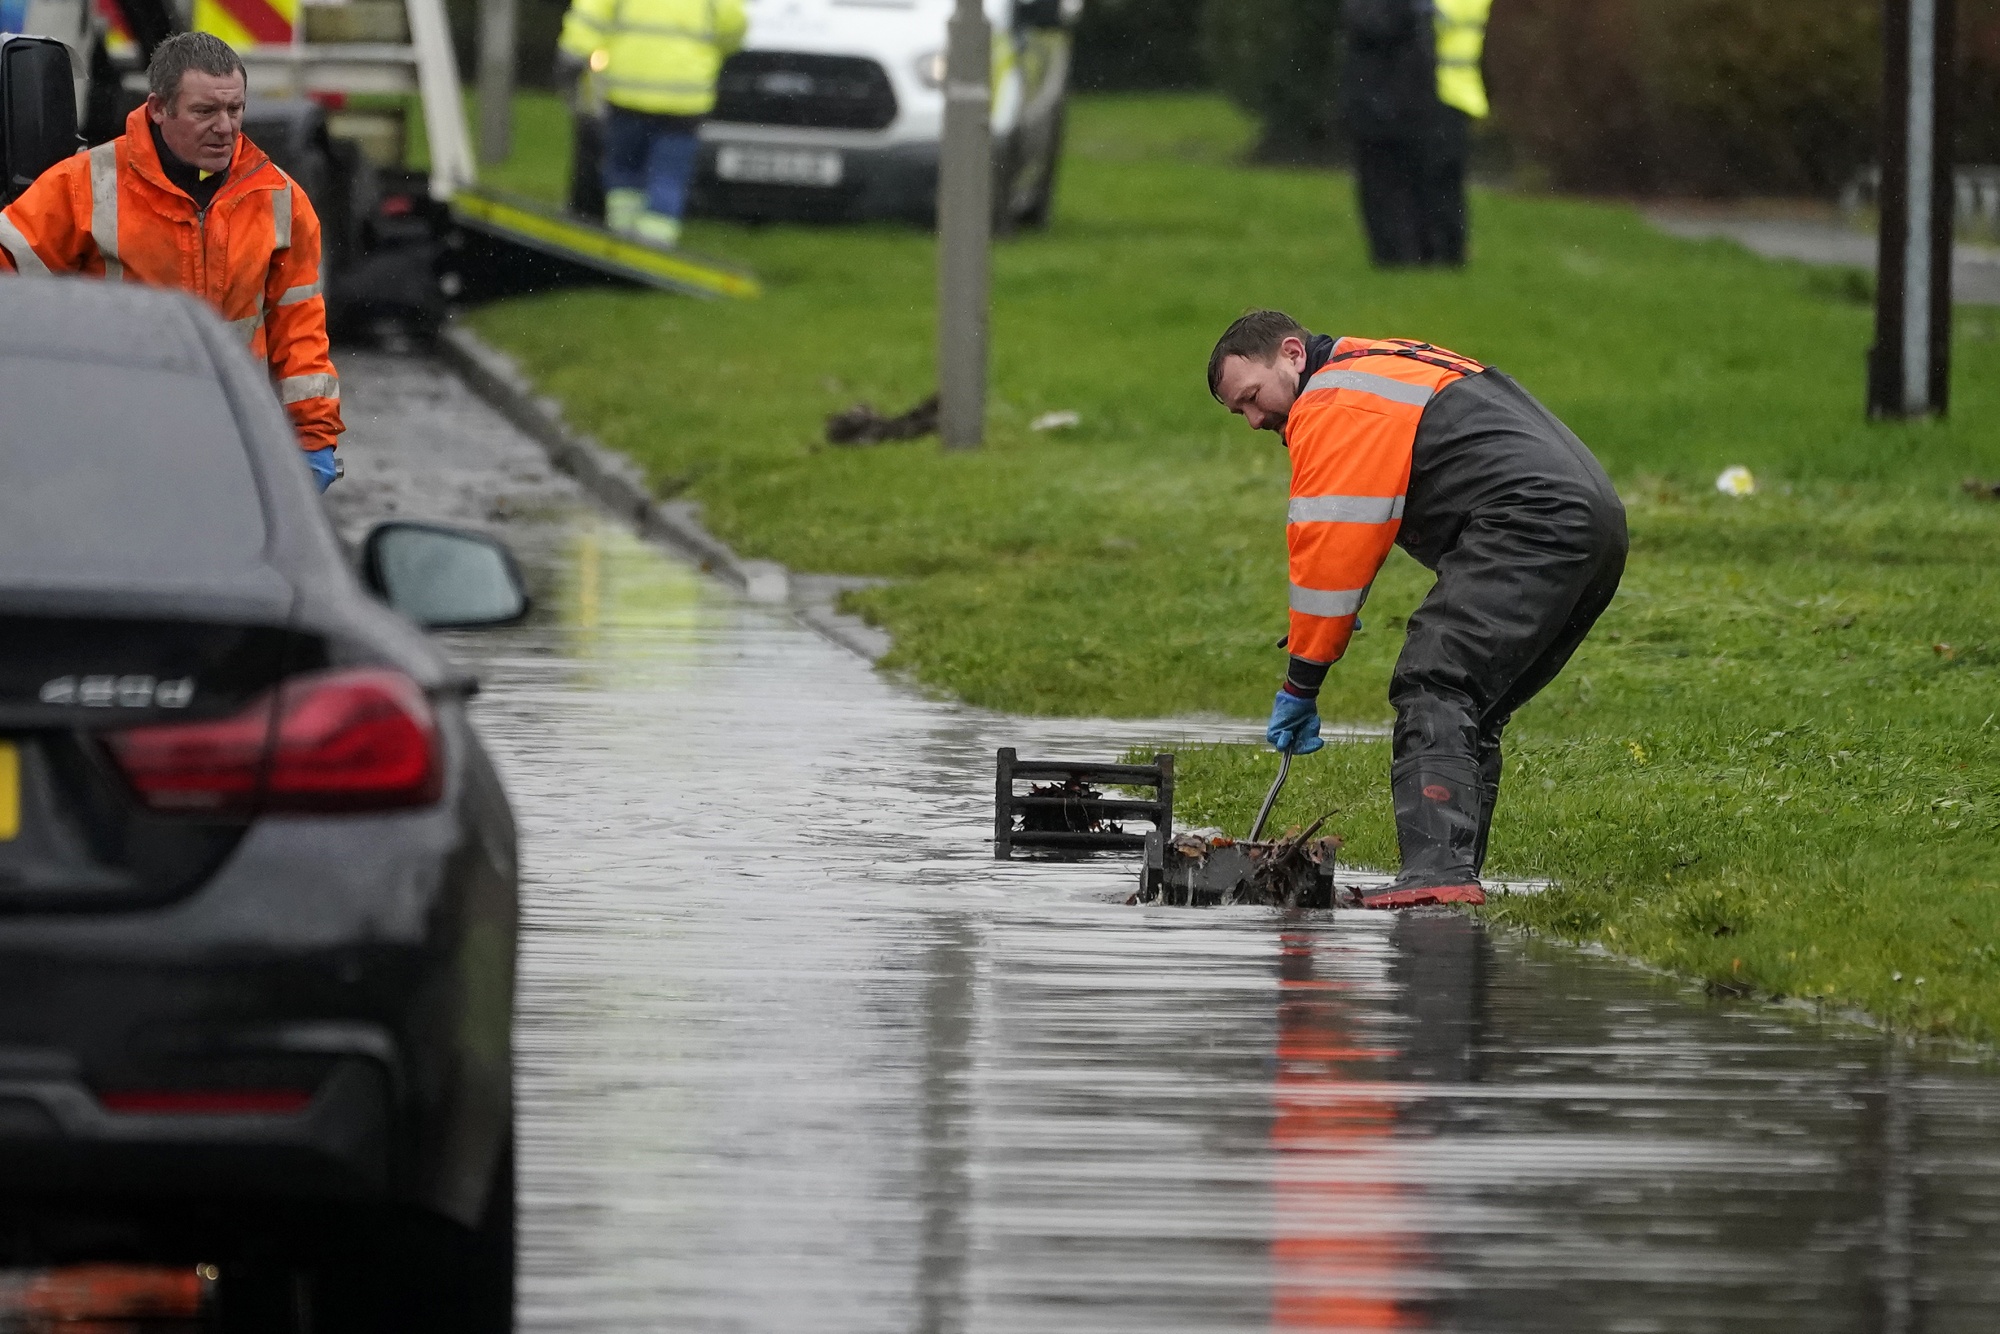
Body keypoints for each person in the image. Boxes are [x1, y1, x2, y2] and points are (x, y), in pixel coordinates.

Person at [1208, 310, 1626, 909]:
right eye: (1238, 412)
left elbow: (1330, 555)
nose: (1253, 420)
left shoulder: (1333, 401)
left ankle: (1436, 878)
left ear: (1293, 354)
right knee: (1470, 703)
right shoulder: (1379, 365)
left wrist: (1301, 685)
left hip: (1533, 522)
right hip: (1596, 525)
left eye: (1251, 396)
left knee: (1437, 678)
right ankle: (1452, 875)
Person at [0, 32, 343, 490]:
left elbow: (300, 332)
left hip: (227, 449)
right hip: (103, 455)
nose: (225, 127)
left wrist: (313, 440)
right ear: (159, 108)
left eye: (235, 109)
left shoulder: (280, 200)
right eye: (205, 111)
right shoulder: (83, 187)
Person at [557, 0, 747, 246]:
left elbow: (588, 18)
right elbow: (733, 29)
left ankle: (619, 242)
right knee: (669, 175)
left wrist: (571, 57)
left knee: (624, 171)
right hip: (684, 99)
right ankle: (656, 245)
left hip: (627, 93)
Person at [1341, 0, 1492, 267]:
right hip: (1436, 93)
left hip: (1422, 94)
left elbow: (1371, 24)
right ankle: (1436, 254)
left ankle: (1415, 255)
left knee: (1406, 180)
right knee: (1431, 182)